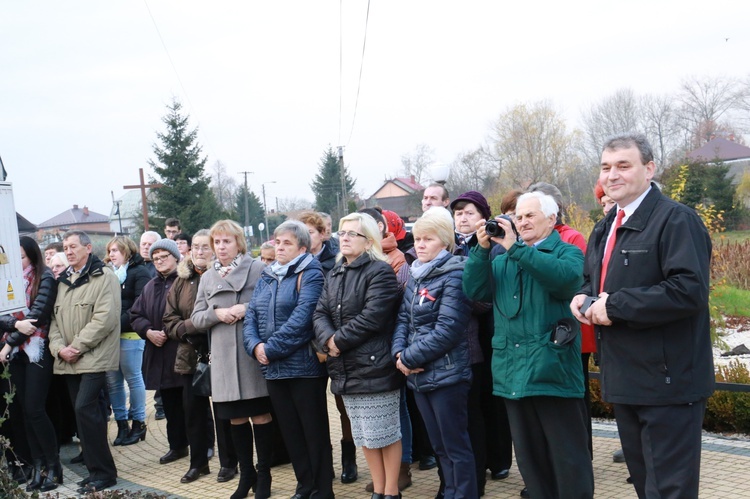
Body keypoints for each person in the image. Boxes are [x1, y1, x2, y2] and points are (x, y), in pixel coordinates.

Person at [571, 133, 714, 499]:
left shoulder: (676, 220)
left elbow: (688, 291)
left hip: (669, 383)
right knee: (647, 487)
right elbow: (596, 280)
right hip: (626, 378)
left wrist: (614, 306)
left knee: (669, 491)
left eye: (623, 166)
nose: (612, 175)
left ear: (649, 169)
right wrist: (584, 297)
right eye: (606, 167)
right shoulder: (606, 226)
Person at [463, 192, 594, 499]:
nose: (522, 222)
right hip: (513, 371)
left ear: (552, 219)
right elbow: (474, 289)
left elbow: (564, 280)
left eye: (530, 216)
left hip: (552, 370)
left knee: (568, 459)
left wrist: (516, 248)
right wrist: (482, 250)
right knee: (530, 460)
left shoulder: (567, 252)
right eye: (518, 217)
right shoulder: (504, 258)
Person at [314, 213, 403, 499]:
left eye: (353, 233)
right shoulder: (336, 272)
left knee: (385, 433)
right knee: (364, 434)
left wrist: (337, 341)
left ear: (369, 241)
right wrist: (328, 340)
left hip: (374, 365)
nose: (345, 238)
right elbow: (320, 312)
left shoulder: (380, 271)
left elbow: (373, 317)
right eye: (342, 232)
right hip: (345, 367)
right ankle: (378, 490)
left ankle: (391, 491)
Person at [244, 220, 334, 499]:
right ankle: (304, 485)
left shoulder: (311, 273)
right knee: (291, 432)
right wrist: (255, 345)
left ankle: (322, 488)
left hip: (304, 367)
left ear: (303, 248)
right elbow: (251, 316)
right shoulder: (268, 274)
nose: (279, 247)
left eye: (287, 243)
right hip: (273, 369)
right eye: (277, 242)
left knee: (313, 431)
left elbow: (304, 319)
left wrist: (269, 349)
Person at [392, 208, 477, 499]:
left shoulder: (456, 274)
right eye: (417, 239)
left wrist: (409, 358)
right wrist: (398, 356)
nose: (420, 245)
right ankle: (451, 492)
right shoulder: (416, 276)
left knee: (455, 445)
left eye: (428, 239)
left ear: (443, 241)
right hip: (418, 375)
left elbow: (448, 330)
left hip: (448, 375)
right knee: (439, 446)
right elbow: (402, 320)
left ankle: (464, 493)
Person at [191, 220, 270, 499]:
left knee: (260, 416)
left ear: (239, 243)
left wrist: (243, 308)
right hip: (223, 360)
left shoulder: (258, 268)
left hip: (250, 355)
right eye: (217, 242)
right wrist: (217, 314)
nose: (221, 247)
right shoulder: (207, 278)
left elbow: (270, 303)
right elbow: (196, 318)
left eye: (226, 241)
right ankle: (246, 475)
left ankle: (264, 476)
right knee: (235, 419)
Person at [449, 191, 514, 494]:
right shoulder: (448, 245)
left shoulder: (493, 244)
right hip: (465, 339)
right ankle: (479, 462)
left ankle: (499, 458)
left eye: (469, 212)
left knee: (493, 400)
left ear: (483, 217)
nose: (463, 217)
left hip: (492, 330)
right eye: (458, 212)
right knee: (475, 403)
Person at [48, 230, 120, 494]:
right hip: (68, 358)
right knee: (83, 415)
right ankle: (94, 471)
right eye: (65, 247)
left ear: (88, 248)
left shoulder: (105, 277)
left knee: (85, 409)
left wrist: (76, 347)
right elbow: (54, 321)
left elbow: (105, 319)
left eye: (73, 246)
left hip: (94, 356)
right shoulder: (64, 280)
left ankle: (105, 473)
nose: (68, 251)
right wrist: (59, 348)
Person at [298, 209, 356, 484]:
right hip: (303, 347)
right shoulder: (293, 264)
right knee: (314, 409)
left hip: (332, 343)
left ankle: (349, 458)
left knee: (343, 406)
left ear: (322, 234)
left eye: (310, 231)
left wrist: (326, 343)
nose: (304, 237)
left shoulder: (335, 263)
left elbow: (333, 308)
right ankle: (323, 463)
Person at [0, 237, 61, 492]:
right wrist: (14, 326)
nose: (19, 262)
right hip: (17, 353)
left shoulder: (44, 277)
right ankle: (37, 465)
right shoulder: (8, 281)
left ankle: (53, 466)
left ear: (33, 256)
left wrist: (7, 343)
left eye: (23, 257)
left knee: (36, 409)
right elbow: (4, 316)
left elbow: (37, 315)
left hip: (38, 349)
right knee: (24, 410)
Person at [130, 238, 189, 468]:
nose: (159, 261)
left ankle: (204, 443)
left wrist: (170, 331)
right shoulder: (150, 286)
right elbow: (136, 315)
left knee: (193, 403)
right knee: (171, 404)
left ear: (175, 257)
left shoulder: (186, 281)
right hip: (159, 352)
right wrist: (148, 331)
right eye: (155, 258)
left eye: (164, 256)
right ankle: (177, 445)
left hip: (182, 350)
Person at [163, 229, 216, 484]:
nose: (199, 251)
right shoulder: (182, 279)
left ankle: (229, 463)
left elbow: (218, 313)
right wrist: (185, 330)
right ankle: (198, 464)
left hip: (219, 350)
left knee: (226, 411)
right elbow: (169, 317)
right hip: (189, 353)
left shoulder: (220, 276)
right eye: (195, 246)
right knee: (192, 410)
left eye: (205, 247)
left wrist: (193, 324)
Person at [104, 236, 150, 447]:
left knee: (133, 378)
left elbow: (139, 305)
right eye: (110, 251)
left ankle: (139, 423)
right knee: (113, 383)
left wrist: (115, 325)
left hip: (130, 333)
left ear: (127, 251)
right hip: (110, 336)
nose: (112, 254)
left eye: (116, 250)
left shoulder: (139, 272)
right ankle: (122, 424)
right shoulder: (109, 274)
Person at [298, 211, 337, 275]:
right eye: (302, 233)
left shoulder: (336, 262)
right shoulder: (294, 262)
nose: (306, 237)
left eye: (310, 232)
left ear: (322, 234)